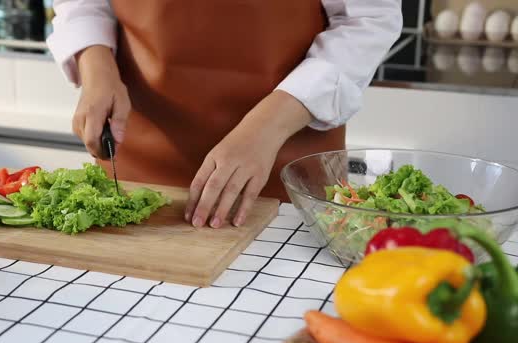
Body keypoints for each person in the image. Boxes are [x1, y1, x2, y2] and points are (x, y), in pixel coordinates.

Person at [46, 0, 403, 229]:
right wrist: (95, 64)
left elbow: (369, 21)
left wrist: (266, 128)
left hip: (287, 167)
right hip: (138, 161)